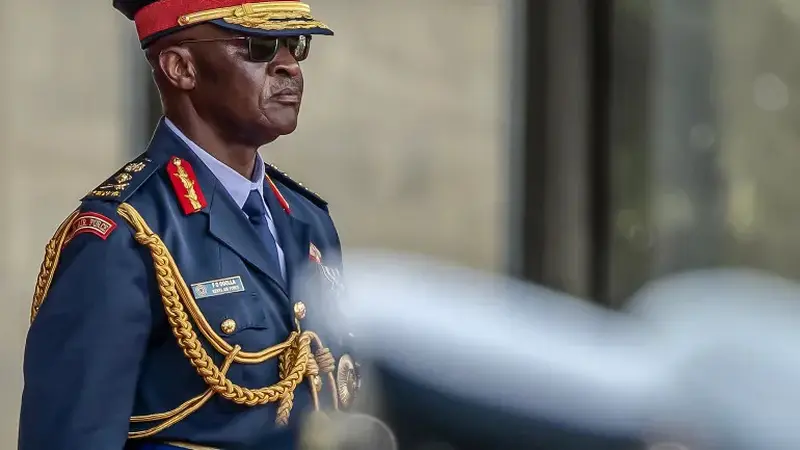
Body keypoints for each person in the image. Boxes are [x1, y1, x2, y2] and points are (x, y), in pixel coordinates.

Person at [19, 1, 361, 449]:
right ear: (181, 67)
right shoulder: (123, 234)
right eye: (261, 47)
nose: (289, 67)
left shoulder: (307, 219)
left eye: (295, 45)